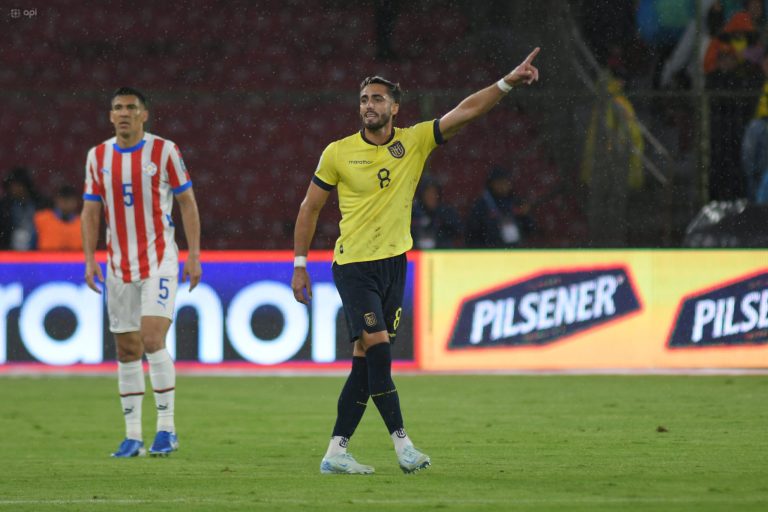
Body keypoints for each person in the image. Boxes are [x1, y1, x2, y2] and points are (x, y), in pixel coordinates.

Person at [291, 48, 540, 474]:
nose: (369, 105)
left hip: (394, 265)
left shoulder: (414, 140)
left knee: (365, 364)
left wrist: (506, 83)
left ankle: (336, 451)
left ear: (395, 107)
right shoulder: (337, 153)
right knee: (380, 351)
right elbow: (309, 207)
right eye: (364, 99)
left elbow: (465, 112)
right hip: (353, 267)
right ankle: (403, 445)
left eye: (377, 99)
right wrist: (299, 263)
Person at [81, 87, 202, 458]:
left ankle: (166, 429)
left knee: (151, 338)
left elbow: (187, 202)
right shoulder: (97, 156)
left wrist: (194, 255)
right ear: (109, 115)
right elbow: (91, 210)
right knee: (126, 348)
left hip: (159, 261)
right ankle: (133, 435)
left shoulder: (164, 151)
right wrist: (89, 259)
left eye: (131, 108)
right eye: (117, 108)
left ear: (144, 115)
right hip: (118, 266)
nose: (124, 114)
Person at [465, 166, 535, 248]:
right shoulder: (481, 205)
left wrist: (525, 216)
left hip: (515, 251)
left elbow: (531, 230)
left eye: (506, 183)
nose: (503, 186)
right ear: (491, 184)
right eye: (499, 183)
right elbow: (472, 233)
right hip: (490, 252)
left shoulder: (517, 202)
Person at [411, 177, 462, 249]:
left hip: (442, 253)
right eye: (428, 193)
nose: (431, 196)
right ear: (422, 195)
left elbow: (458, 230)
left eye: (434, 193)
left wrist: (441, 225)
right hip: (415, 254)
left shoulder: (446, 212)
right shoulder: (413, 213)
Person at [0, 166, 44, 250]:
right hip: (10, 250)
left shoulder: (40, 203)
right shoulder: (4, 206)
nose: (13, 189)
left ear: (25, 185)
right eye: (11, 186)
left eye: (16, 185)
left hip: (37, 249)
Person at [34, 185, 82, 251]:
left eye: (69, 200)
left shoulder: (83, 223)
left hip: (76, 260)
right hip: (46, 259)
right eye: (63, 199)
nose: (66, 203)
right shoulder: (41, 218)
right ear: (57, 200)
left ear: (76, 202)